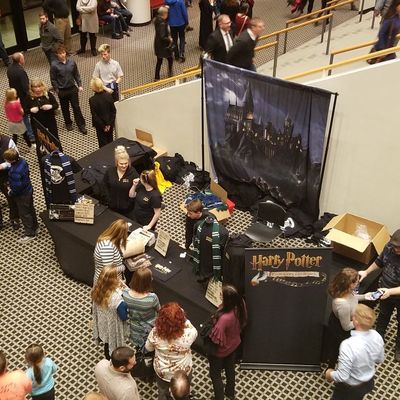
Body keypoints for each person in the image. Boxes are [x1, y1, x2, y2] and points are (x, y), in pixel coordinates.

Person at [325, 304, 384, 400]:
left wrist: (330, 373)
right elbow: (379, 359)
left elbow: (342, 376)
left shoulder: (348, 345)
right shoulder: (377, 336)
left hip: (349, 388)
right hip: (368, 382)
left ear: (355, 321)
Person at [359, 228, 400, 361]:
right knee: (383, 315)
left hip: (395, 293)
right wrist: (366, 272)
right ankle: (378, 340)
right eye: (394, 246)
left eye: (399, 247)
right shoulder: (389, 247)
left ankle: (399, 348)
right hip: (384, 290)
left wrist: (390, 292)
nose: (395, 250)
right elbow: (380, 262)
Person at [145, 302, 198, 400]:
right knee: (182, 392)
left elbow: (148, 348)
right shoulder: (190, 333)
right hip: (183, 371)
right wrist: (181, 316)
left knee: (162, 391)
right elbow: (188, 324)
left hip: (163, 371)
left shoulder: (155, 333)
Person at [325, 268, 370, 369]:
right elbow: (346, 327)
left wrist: (365, 296)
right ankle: (331, 368)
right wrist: (360, 320)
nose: (358, 283)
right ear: (350, 285)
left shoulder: (346, 292)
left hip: (346, 321)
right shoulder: (343, 304)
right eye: (356, 282)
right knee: (337, 350)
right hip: (340, 330)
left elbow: (353, 298)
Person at [208, 284, 246, 400]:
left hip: (221, 351)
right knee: (230, 368)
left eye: (222, 295)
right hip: (233, 345)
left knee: (215, 375)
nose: (220, 295)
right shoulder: (241, 304)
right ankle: (230, 392)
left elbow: (216, 339)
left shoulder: (224, 319)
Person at [3, 148, 39, 243]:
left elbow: (17, 188)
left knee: (24, 214)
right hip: (28, 189)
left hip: (21, 195)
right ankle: (35, 227)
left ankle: (30, 234)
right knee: (30, 209)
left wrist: (10, 192)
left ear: (10, 160)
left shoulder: (14, 172)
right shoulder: (22, 161)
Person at [92, 265, 127, 359]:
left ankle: (107, 358)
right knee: (115, 350)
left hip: (103, 324)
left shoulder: (97, 289)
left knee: (107, 345)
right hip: (113, 328)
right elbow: (124, 316)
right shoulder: (116, 298)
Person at [50, 45, 87, 134]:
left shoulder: (72, 62)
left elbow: (76, 74)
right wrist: (57, 90)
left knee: (76, 107)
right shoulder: (54, 65)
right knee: (65, 108)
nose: (62, 55)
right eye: (60, 53)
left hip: (72, 88)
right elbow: (53, 79)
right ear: (57, 54)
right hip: (62, 90)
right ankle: (68, 123)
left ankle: (81, 125)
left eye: (63, 52)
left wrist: (79, 85)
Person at [122, 267, 160, 349]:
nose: (152, 279)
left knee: (138, 348)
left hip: (132, 329)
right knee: (147, 350)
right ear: (147, 282)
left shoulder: (125, 293)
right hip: (147, 331)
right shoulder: (152, 298)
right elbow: (160, 312)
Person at [7, 53, 35, 146]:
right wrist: (31, 97)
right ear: (20, 60)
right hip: (23, 98)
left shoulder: (10, 69)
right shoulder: (21, 72)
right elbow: (25, 87)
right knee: (25, 117)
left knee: (23, 117)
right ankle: (31, 135)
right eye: (23, 58)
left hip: (15, 96)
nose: (24, 59)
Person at [103, 145, 139, 217]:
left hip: (128, 210)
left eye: (126, 163)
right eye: (121, 164)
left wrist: (129, 203)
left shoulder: (133, 173)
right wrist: (108, 199)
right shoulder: (110, 171)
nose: (124, 166)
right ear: (117, 162)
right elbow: (104, 185)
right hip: (112, 207)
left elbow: (138, 190)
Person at [25, 79, 60, 144]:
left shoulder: (48, 94)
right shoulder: (29, 97)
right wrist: (31, 110)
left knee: (54, 138)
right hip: (37, 122)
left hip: (50, 120)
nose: (38, 89)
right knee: (40, 140)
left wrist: (50, 106)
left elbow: (56, 105)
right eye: (35, 87)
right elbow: (25, 110)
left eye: (39, 86)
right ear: (31, 88)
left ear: (42, 86)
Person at [89, 78, 116, 148]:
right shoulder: (109, 96)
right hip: (110, 124)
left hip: (100, 126)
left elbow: (95, 115)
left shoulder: (92, 100)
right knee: (110, 141)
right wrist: (109, 124)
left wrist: (103, 126)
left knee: (102, 144)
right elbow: (113, 111)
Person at [0, 133, 19, 230]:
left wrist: (2, 166)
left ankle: (14, 218)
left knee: (11, 197)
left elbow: (16, 157)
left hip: (6, 175)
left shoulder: (8, 141)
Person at [154, 6, 174, 81]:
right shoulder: (162, 23)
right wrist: (169, 39)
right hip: (163, 46)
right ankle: (170, 74)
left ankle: (157, 77)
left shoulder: (157, 20)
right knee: (170, 58)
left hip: (157, 44)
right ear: (164, 14)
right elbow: (162, 36)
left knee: (159, 61)